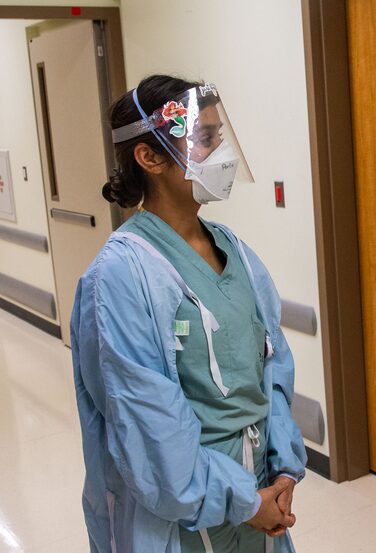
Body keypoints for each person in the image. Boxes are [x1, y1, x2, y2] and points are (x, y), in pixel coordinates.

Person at [71, 75, 307, 552]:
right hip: (183, 516)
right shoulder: (121, 274)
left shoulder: (235, 252)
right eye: (204, 138)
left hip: (262, 496)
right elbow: (150, 429)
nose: (221, 152)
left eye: (219, 136)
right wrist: (243, 500)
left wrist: (282, 469)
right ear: (150, 157)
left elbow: (272, 367)